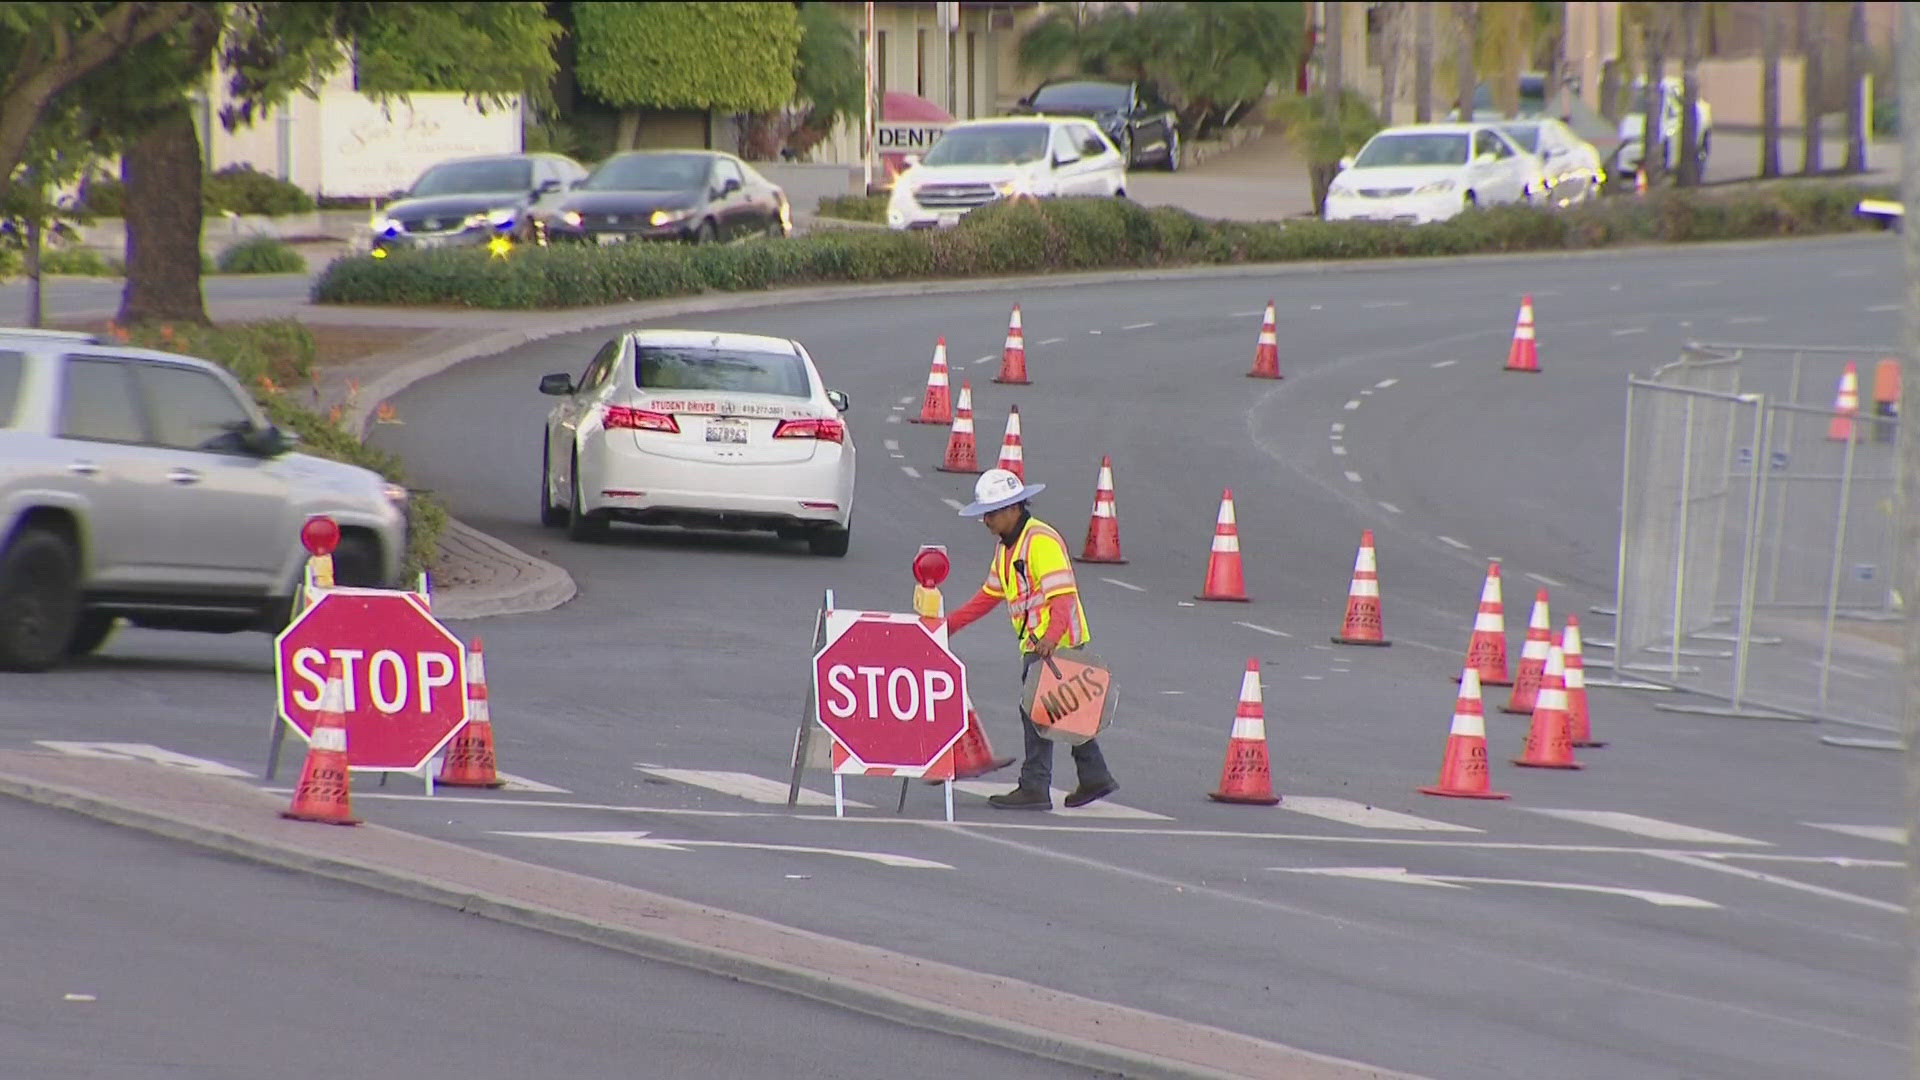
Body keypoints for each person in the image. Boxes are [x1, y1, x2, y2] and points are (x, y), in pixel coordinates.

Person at [945, 468, 1119, 810]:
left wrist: (1051, 639)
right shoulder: (1007, 548)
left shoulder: (1040, 541)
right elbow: (988, 596)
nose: (987, 522)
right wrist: (947, 626)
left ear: (1013, 508)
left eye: (991, 514)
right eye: (984, 515)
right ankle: (1093, 776)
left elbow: (1063, 597)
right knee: (1059, 712)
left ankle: (1036, 786)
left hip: (1055, 643)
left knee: (1039, 713)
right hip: (1039, 643)